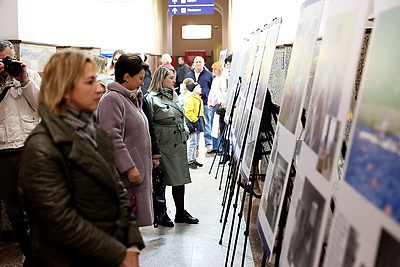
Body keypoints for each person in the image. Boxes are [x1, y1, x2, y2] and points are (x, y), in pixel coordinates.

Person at [18, 50, 144, 266]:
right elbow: (59, 222)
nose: (99, 88)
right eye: (89, 82)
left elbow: (118, 193)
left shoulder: (96, 134)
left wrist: (131, 243)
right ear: (65, 89)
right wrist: (118, 254)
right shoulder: (43, 146)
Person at [98, 53, 155, 227]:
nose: (142, 83)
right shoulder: (112, 99)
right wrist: (129, 167)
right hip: (124, 175)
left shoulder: (130, 98)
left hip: (136, 172)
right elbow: (111, 137)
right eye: (140, 78)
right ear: (126, 77)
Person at [0, 39, 41, 266]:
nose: (5, 65)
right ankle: (29, 252)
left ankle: (35, 255)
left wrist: (24, 80)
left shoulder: (30, 75)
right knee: (14, 213)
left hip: (29, 148)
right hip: (3, 152)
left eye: (8, 59)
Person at [146, 65, 199, 227]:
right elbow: (148, 125)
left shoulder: (173, 94)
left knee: (179, 179)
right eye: (170, 77)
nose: (174, 80)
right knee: (161, 180)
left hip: (178, 142)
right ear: (161, 78)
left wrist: (185, 130)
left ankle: (180, 211)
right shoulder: (151, 98)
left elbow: (180, 115)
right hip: (164, 143)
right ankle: (162, 213)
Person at [185, 56, 214, 153]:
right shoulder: (189, 74)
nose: (198, 64)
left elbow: (212, 88)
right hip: (192, 104)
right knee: (194, 123)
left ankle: (208, 144)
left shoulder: (209, 75)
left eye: (200, 62)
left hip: (204, 103)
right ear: (193, 63)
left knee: (206, 123)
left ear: (203, 63)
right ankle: (195, 145)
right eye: (196, 62)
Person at [184, 82, 205, 169]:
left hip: (198, 120)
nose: (201, 89)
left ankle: (193, 159)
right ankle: (189, 160)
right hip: (193, 121)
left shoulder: (198, 98)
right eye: (198, 87)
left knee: (196, 142)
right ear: (193, 89)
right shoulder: (191, 98)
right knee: (192, 142)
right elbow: (188, 111)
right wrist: (195, 120)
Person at [208, 61, 225, 152]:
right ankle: (215, 146)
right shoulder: (215, 79)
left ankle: (220, 147)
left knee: (218, 127)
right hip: (213, 105)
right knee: (213, 126)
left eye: (215, 69)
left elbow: (220, 93)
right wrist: (209, 102)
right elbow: (211, 93)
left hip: (218, 105)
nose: (213, 71)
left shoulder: (222, 79)